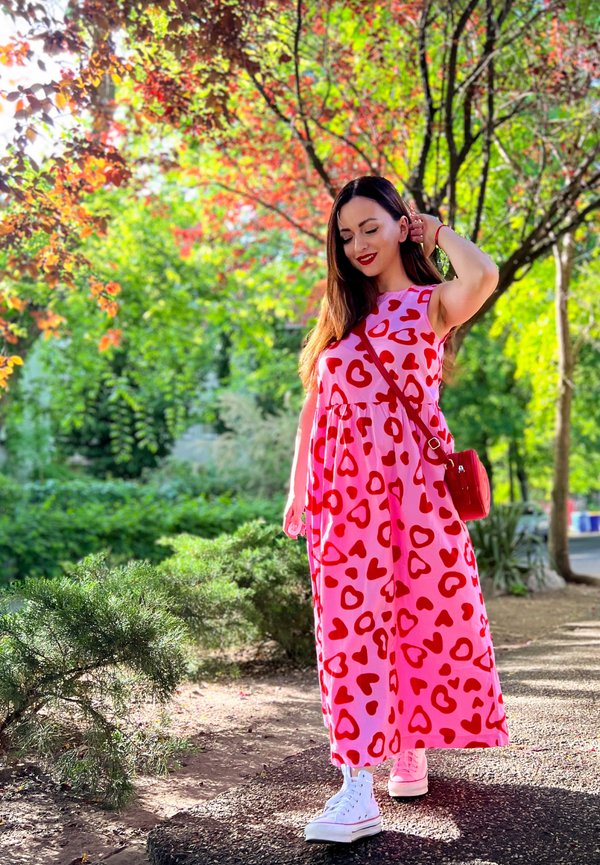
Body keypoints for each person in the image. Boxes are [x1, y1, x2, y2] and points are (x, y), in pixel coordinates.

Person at [283, 175, 509, 845]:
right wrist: (298, 486)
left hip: (419, 497)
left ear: (397, 225)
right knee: (348, 634)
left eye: (370, 228)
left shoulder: (429, 304)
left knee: (421, 621)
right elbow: (315, 409)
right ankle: (356, 785)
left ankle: (409, 745)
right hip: (345, 500)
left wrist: (435, 231)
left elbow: (484, 274)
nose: (358, 244)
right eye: (346, 234)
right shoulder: (339, 319)